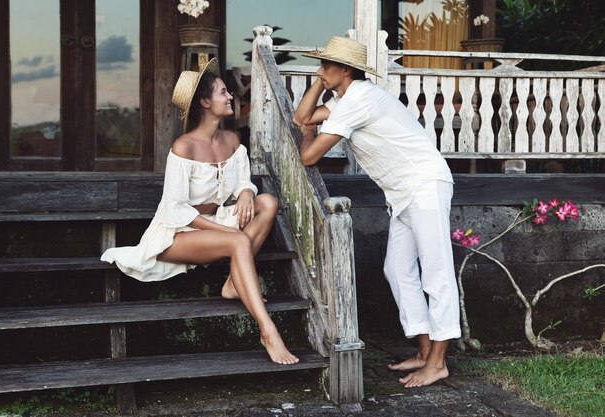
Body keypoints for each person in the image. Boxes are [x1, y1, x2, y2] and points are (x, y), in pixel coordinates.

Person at [101, 58, 299, 365]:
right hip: (178, 232)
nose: (230, 97)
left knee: (268, 202)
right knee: (238, 242)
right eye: (223, 92)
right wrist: (228, 231)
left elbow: (242, 180)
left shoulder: (232, 140)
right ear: (205, 102)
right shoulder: (184, 147)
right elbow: (174, 208)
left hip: (215, 221)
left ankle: (235, 283)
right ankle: (267, 330)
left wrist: (247, 192)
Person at [293, 37, 460, 386]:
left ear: (346, 70)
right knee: (397, 270)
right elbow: (301, 117)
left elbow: (309, 156)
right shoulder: (344, 100)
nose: (321, 70)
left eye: (326, 65)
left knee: (436, 273)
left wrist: (309, 137)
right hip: (403, 193)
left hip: (424, 184)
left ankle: (438, 363)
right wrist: (317, 83)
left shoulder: (359, 100)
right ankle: (424, 351)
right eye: (321, 65)